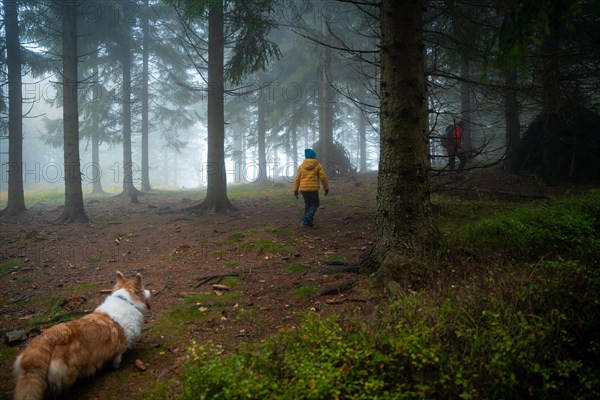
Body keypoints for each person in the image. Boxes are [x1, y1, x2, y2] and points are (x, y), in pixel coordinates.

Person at [293, 148, 330, 227]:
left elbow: (297, 179)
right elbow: (323, 177)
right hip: (313, 189)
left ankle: (306, 223)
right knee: (315, 204)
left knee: (308, 204)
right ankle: (308, 216)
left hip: (303, 189)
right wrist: (326, 188)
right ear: (314, 156)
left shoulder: (301, 166)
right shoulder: (317, 165)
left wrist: (295, 190)